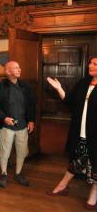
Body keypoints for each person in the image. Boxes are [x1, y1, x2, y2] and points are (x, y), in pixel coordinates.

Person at [46, 56, 97, 210]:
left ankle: (94, 194)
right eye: (90, 63)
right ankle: (63, 185)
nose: (90, 65)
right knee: (76, 159)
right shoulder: (83, 82)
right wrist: (58, 88)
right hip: (80, 132)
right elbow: (68, 101)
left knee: (96, 163)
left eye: (95, 63)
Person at [0, 61, 35, 188]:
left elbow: (31, 104)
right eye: (16, 68)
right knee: (4, 151)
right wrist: (3, 118)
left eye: (19, 67)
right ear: (8, 71)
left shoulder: (25, 86)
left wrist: (31, 120)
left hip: (22, 125)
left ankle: (18, 173)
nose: (19, 69)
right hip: (7, 125)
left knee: (22, 151)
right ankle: (3, 173)